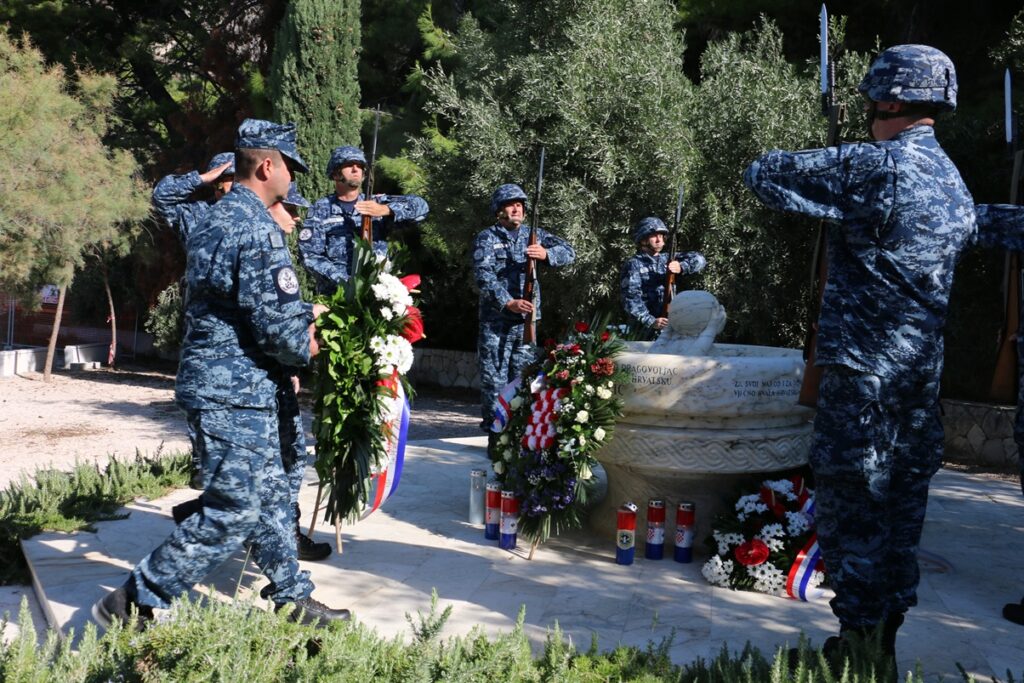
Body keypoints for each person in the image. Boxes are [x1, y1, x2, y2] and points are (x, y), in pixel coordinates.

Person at [743, 45, 973, 669]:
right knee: (899, 516)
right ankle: (882, 649)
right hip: (917, 386)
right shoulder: (953, 182)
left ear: (889, 100)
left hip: (864, 383)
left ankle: (856, 654)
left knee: (854, 512)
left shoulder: (877, 166)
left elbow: (764, 173)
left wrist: (838, 163)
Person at [92, 119, 348, 629]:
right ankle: (133, 601)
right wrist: (311, 342)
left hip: (241, 385)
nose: (293, 178)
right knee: (233, 509)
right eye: (291, 167)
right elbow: (277, 327)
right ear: (268, 166)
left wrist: (302, 314)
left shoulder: (216, 218)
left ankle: (293, 598)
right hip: (233, 391)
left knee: (270, 498)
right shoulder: (253, 227)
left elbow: (235, 296)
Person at [171, 182, 332, 562]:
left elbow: (255, 308)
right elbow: (265, 320)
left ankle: (286, 572)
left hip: (256, 379)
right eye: (290, 208)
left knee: (278, 473)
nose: (297, 218)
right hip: (235, 386)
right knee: (245, 495)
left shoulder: (249, 239)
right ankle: (145, 587)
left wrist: (299, 328)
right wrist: (302, 347)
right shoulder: (249, 235)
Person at [472, 183, 576, 430]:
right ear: (499, 210)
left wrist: (546, 255)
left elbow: (569, 252)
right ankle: (495, 435)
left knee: (524, 379)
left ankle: (520, 434)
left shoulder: (534, 235)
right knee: (494, 381)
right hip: (497, 322)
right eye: (510, 205)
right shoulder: (487, 238)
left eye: (519, 205)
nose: (516, 209)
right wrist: (508, 302)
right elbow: (483, 275)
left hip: (526, 321)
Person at [297, 145, 429, 294]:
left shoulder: (376, 202)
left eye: (359, 166)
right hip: (336, 296)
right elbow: (309, 255)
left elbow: (421, 207)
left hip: (376, 294)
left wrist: (386, 210)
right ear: (335, 173)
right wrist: (345, 282)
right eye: (349, 165)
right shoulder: (321, 209)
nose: (355, 169)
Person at [620, 216, 706, 337]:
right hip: (643, 331)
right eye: (654, 236)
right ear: (643, 239)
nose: (659, 239)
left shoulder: (667, 258)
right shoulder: (634, 264)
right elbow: (630, 300)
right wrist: (651, 321)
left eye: (661, 236)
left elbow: (700, 259)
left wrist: (682, 266)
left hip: (670, 327)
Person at [152, 152, 235, 247]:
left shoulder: (250, 209)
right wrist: (201, 178)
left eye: (235, 179)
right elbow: (161, 196)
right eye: (217, 183)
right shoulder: (197, 213)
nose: (221, 188)